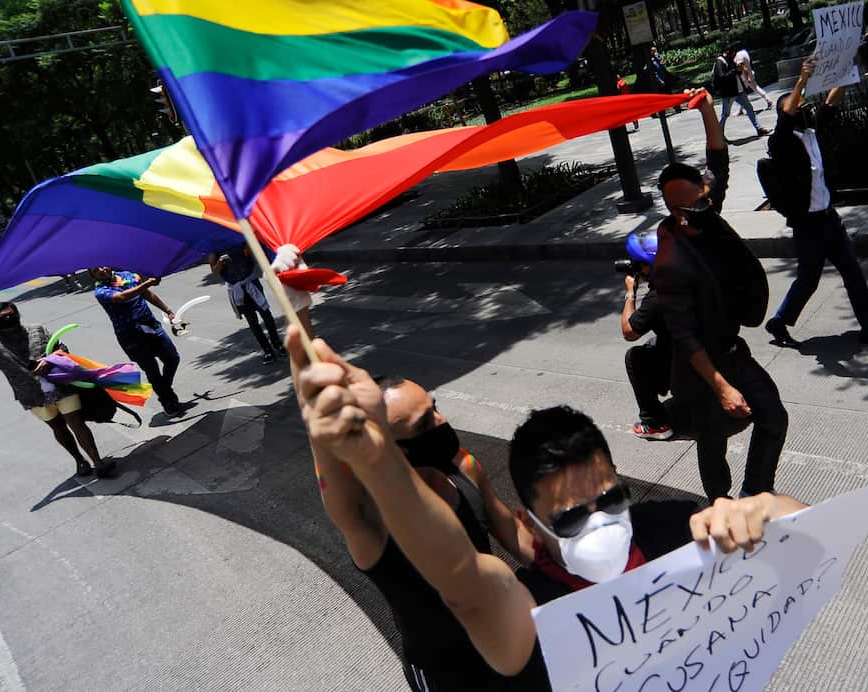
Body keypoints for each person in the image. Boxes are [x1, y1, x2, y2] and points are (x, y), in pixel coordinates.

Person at [290, 333, 805, 687]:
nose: (442, 423)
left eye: (609, 499)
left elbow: (804, 538)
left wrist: (763, 509)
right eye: (570, 518)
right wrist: (372, 455)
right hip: (451, 656)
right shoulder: (379, 520)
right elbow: (464, 578)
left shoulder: (465, 468)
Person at [309, 368, 534, 691]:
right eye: (425, 423)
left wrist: (565, 566)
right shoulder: (371, 523)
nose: (442, 421)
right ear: (392, 450)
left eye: (435, 407)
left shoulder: (463, 466)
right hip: (444, 672)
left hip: (502, 637)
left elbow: (510, 527)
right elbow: (326, 460)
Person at [652, 91, 789, 502]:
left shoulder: (704, 214)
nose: (711, 204)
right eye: (700, 202)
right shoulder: (671, 261)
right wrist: (722, 387)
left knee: (774, 418)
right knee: (713, 443)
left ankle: (756, 491)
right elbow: (685, 335)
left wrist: (708, 111)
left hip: (732, 350)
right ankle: (721, 504)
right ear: (679, 211)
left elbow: (718, 163)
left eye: (709, 197)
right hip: (700, 370)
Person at [763, 56, 868, 349]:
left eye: (802, 104)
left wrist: (845, 70)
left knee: (852, 271)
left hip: (830, 219)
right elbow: (786, 116)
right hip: (807, 225)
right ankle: (779, 322)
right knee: (808, 279)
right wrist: (800, 80)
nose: (802, 108)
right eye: (796, 105)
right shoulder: (781, 144)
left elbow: (831, 103)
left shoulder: (813, 132)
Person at [0, 299, 114, 478]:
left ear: (17, 314)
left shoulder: (37, 329)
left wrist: (50, 360)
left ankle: (98, 463)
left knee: (77, 423)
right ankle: (80, 461)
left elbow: (61, 348)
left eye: (11, 314)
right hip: (31, 396)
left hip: (61, 386)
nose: (8, 318)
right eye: (2, 317)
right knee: (58, 428)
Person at [90, 266, 187, 417]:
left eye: (102, 266)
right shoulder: (100, 291)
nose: (101, 270)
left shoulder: (127, 276)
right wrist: (146, 283)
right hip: (130, 336)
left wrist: (168, 311)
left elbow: (147, 294)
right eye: (96, 271)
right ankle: (168, 401)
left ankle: (165, 391)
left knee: (173, 358)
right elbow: (121, 297)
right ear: (93, 276)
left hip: (150, 326)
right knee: (152, 370)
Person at [619, 231, 674, 440]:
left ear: (647, 265)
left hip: (686, 355)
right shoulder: (686, 274)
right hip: (710, 345)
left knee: (634, 357)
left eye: (637, 263)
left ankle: (655, 424)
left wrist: (630, 292)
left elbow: (629, 332)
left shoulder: (657, 297)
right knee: (654, 343)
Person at [209, 244, 285, 365]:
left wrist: (246, 249)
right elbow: (214, 271)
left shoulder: (237, 237)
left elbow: (252, 252)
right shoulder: (214, 246)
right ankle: (267, 349)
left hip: (251, 282)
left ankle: (277, 343)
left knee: (266, 314)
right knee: (252, 321)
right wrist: (220, 261)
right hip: (236, 287)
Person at [712, 42, 767, 138]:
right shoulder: (720, 62)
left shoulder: (729, 60)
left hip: (738, 90)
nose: (735, 56)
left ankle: (759, 129)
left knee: (749, 109)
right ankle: (719, 135)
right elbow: (722, 77)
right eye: (733, 53)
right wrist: (735, 71)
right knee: (725, 114)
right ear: (728, 52)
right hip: (728, 93)